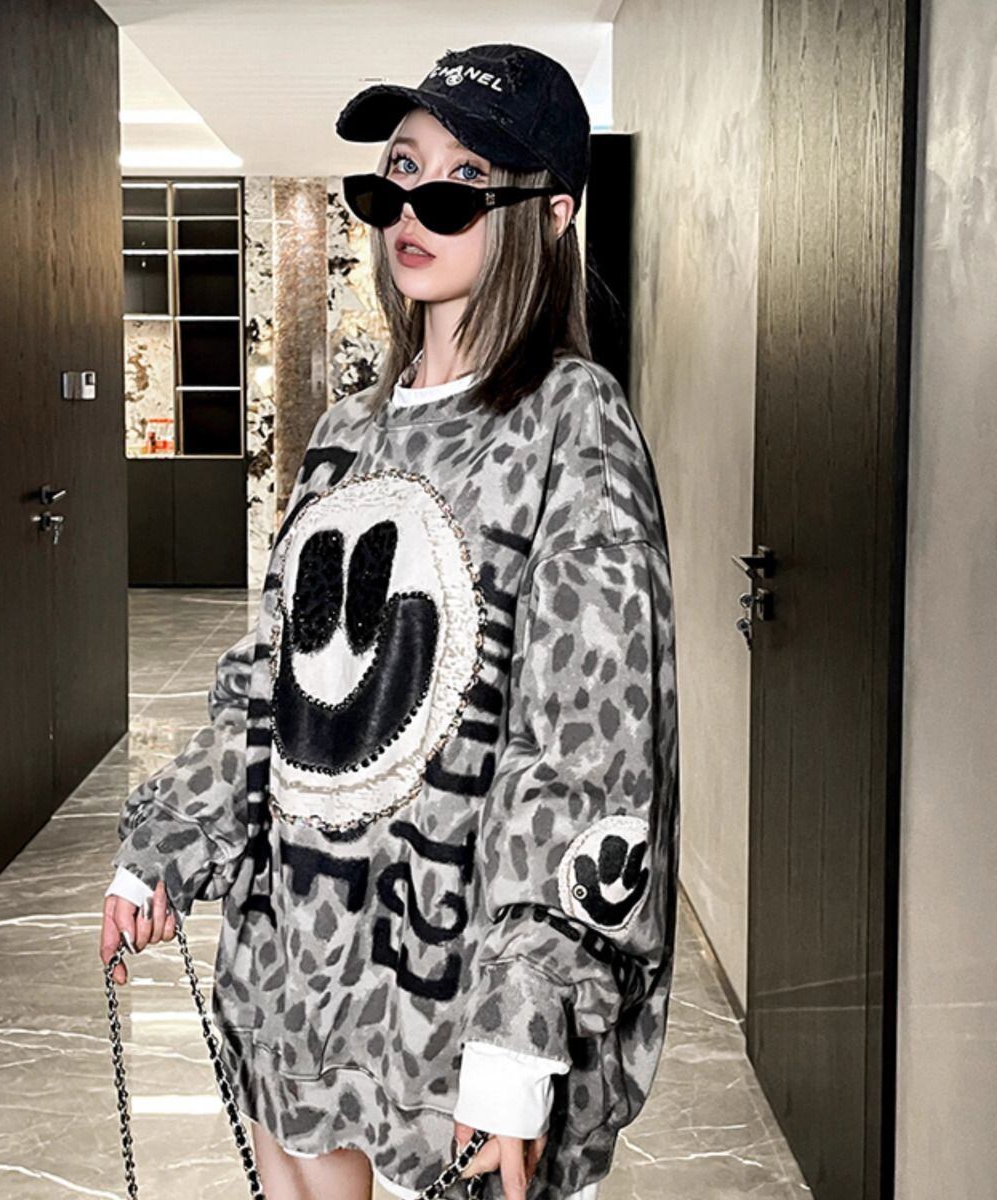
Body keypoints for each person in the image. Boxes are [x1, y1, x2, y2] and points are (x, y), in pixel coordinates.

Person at [99, 42, 679, 1200]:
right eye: (399, 172)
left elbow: (587, 751)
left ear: (552, 214)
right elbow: (271, 683)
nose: (413, 207)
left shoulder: (571, 423)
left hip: (449, 992)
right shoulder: (344, 432)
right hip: (293, 967)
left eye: (461, 183)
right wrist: (165, 843)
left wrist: (521, 1039)